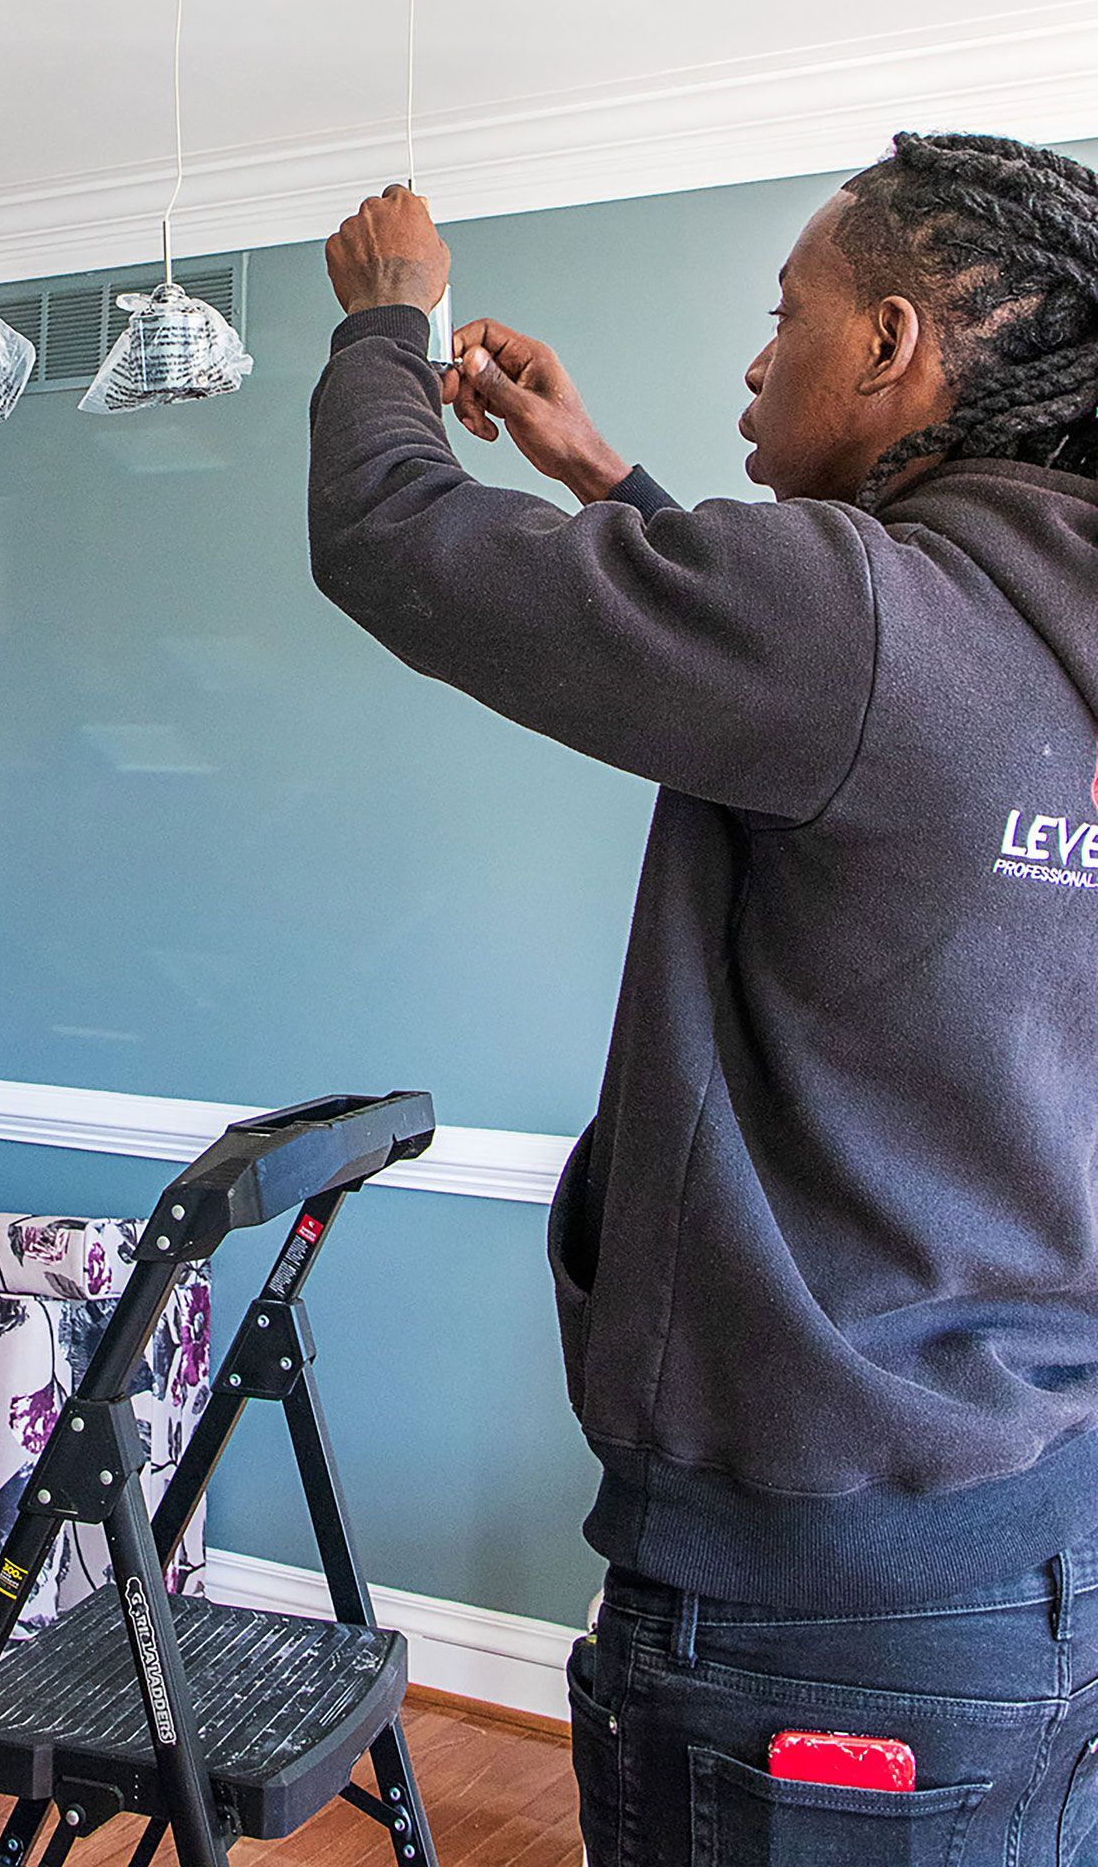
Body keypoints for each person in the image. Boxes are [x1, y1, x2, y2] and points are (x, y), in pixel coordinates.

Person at [310, 136, 1098, 1865]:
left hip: (818, 1610)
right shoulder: (1024, 628)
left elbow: (391, 536)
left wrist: (387, 321)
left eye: (788, 315)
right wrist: (602, 475)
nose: (758, 360)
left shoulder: (868, 625)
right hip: (1037, 1546)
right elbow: (859, 725)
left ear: (895, 346)